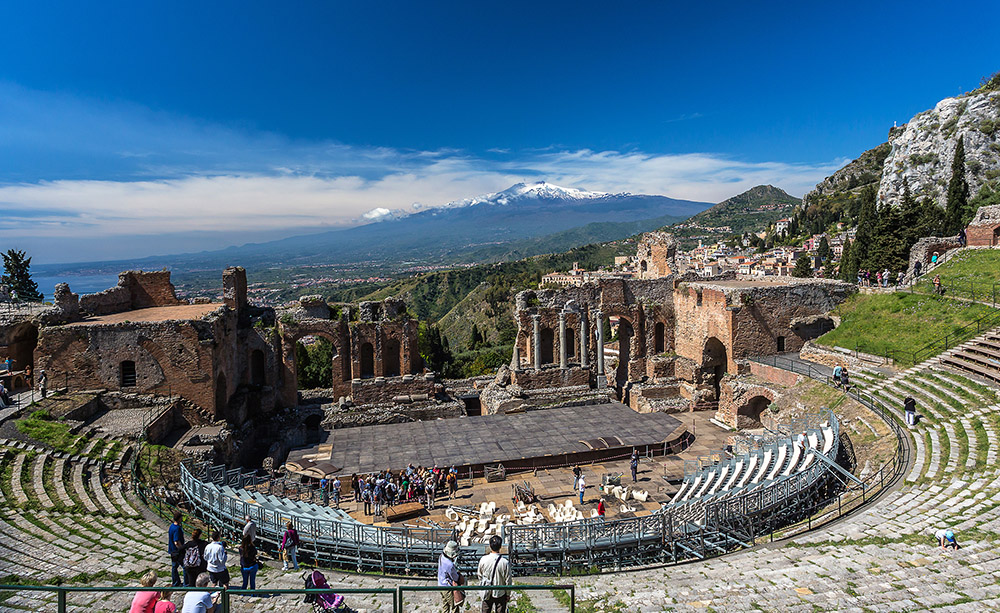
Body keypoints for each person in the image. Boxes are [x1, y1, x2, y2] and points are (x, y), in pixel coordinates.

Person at [477, 535, 511, 613]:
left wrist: (483, 584)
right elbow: (508, 580)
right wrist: (508, 594)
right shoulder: (505, 562)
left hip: (486, 591)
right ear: (500, 546)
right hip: (500, 592)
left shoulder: (483, 559)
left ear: (490, 545)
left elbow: (479, 574)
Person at [438, 540, 463, 613]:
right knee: (454, 607)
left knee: (445, 606)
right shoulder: (450, 564)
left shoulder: (441, 556)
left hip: (440, 584)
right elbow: (455, 577)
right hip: (448, 587)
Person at [168, 512, 185, 587]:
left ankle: (175, 582)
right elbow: (176, 541)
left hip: (172, 550)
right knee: (185, 566)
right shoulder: (177, 529)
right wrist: (182, 548)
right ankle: (186, 583)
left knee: (174, 567)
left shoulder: (171, 526)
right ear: (179, 518)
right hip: (177, 551)